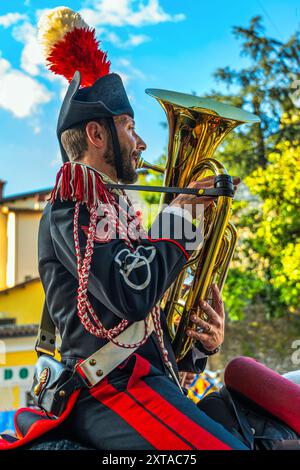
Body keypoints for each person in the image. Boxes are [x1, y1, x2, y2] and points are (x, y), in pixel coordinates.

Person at [0, 7, 247, 451]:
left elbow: (144, 322)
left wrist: (197, 346)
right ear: (97, 135)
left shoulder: (115, 210)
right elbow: (128, 295)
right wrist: (178, 219)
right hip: (110, 390)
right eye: (130, 127)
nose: (142, 142)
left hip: (142, 380)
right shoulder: (74, 199)